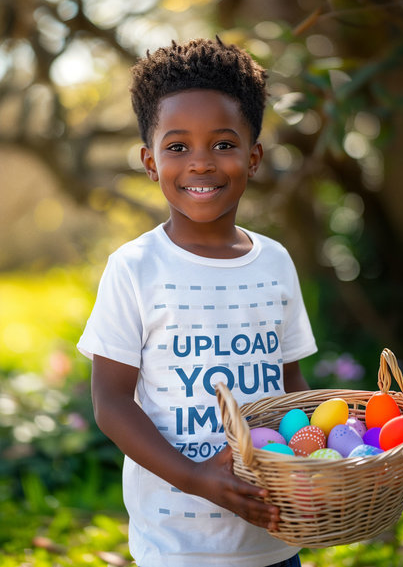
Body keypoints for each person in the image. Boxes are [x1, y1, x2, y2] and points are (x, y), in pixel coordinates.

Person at [77, 37, 317, 567]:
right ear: (149, 160)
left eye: (224, 144)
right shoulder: (134, 268)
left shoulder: (275, 261)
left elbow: (290, 383)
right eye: (178, 146)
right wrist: (196, 478)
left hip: (273, 536)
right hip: (178, 546)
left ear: (253, 158)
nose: (202, 164)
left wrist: (316, 460)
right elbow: (111, 403)